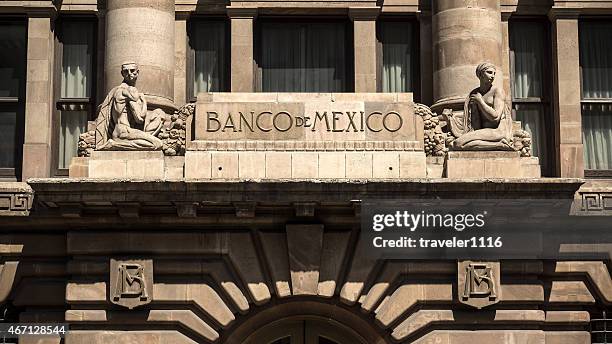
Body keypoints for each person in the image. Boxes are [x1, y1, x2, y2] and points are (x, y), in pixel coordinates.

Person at [94, 62, 164, 151]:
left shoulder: (117, 90)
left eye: (132, 71)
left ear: (137, 72)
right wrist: (144, 101)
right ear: (122, 74)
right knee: (157, 144)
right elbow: (139, 118)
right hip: (124, 131)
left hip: (119, 131)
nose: (129, 74)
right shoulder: (129, 91)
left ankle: (116, 143)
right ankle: (114, 144)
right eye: (126, 71)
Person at [449, 62, 513, 151]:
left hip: (499, 131)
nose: (493, 76)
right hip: (485, 132)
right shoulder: (474, 94)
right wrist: (451, 118)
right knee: (457, 144)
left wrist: (480, 101)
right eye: (489, 72)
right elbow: (475, 122)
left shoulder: (498, 91)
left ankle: (500, 143)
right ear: (481, 74)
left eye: (494, 73)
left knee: (457, 143)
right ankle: (499, 145)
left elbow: (495, 117)